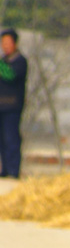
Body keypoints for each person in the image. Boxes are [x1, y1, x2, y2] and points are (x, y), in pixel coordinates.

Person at [0, 28, 28, 178]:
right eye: (3, 43)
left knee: (11, 138)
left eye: (7, 43)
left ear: (15, 43)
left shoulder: (20, 61)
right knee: (2, 140)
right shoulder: (3, 61)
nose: (4, 46)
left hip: (12, 107)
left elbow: (10, 75)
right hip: (1, 107)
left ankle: (14, 170)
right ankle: (4, 169)